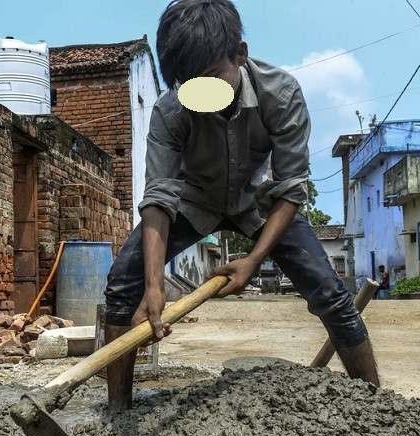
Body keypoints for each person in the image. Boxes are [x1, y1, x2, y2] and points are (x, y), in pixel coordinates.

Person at [103, 0, 380, 412]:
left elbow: (290, 188)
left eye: (213, 78)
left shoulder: (280, 94)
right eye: (189, 84)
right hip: (193, 202)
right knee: (124, 286)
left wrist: (252, 261)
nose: (201, 97)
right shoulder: (169, 111)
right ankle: (118, 412)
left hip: (259, 202)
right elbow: (159, 199)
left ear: (240, 55)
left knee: (331, 294)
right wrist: (156, 286)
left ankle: (377, 408)